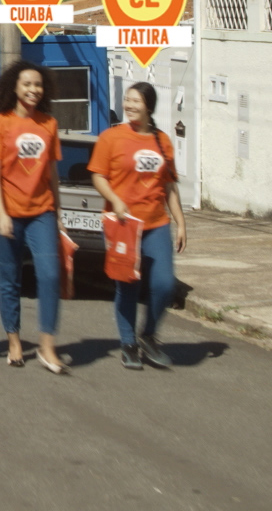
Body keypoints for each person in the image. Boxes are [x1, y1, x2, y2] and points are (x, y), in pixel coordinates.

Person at [90, 82, 187, 371]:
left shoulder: (162, 141)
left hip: (156, 223)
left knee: (164, 284)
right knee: (127, 285)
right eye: (127, 100)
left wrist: (181, 223)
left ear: (149, 106)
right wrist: (115, 201)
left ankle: (149, 336)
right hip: (124, 224)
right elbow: (98, 177)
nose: (129, 105)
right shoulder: (111, 137)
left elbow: (169, 185)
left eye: (136, 101)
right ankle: (128, 343)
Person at [0, 59, 68, 373]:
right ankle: (14, 340)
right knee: (10, 280)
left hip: (41, 211)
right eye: (27, 84)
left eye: (38, 85)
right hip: (5, 213)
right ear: (14, 88)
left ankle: (47, 346)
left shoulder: (48, 124)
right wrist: (2, 213)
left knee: (49, 275)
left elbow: (52, 172)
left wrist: (57, 213)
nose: (33, 89)